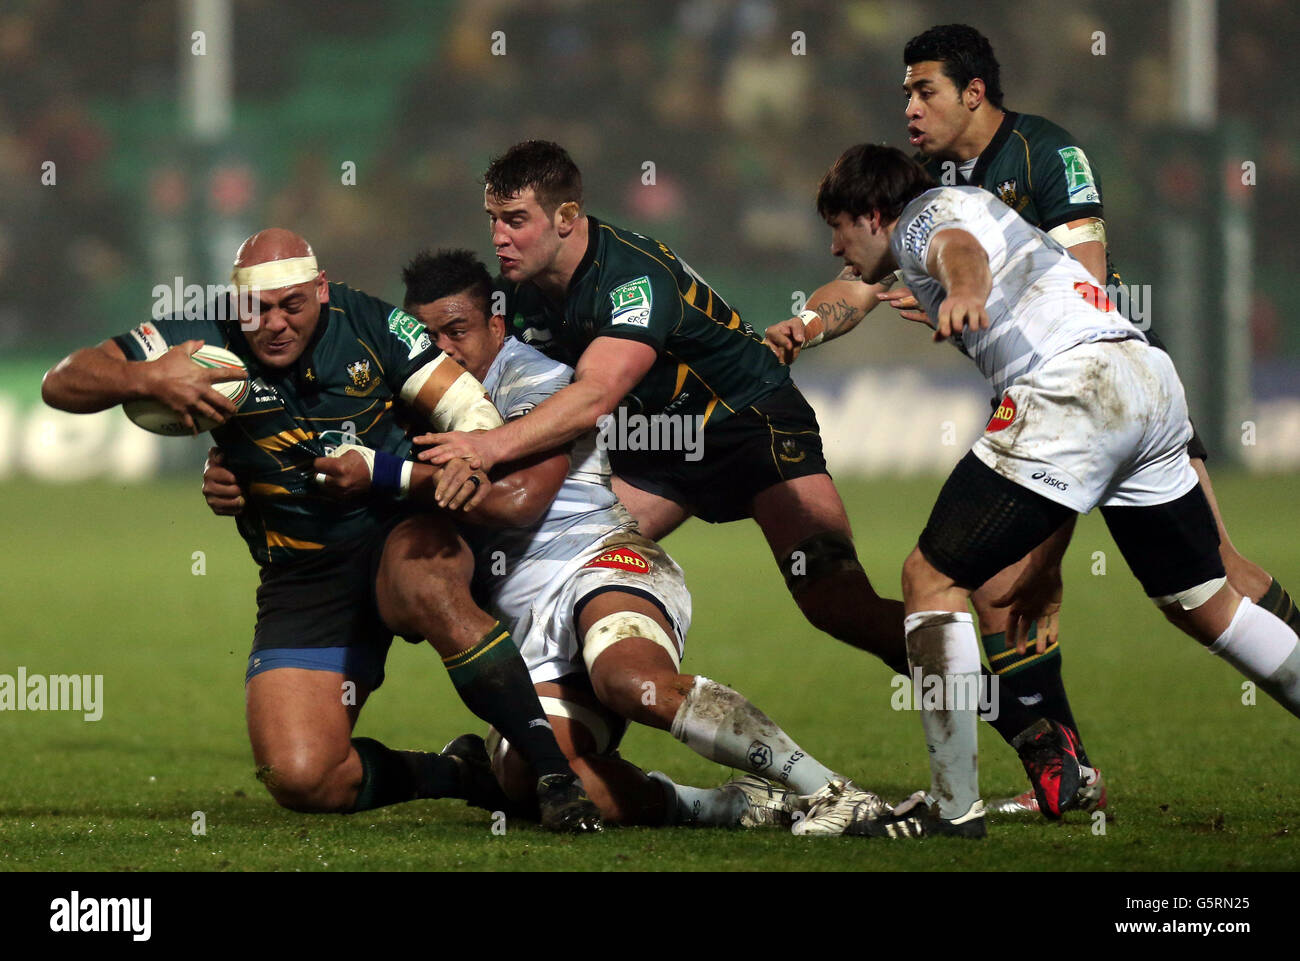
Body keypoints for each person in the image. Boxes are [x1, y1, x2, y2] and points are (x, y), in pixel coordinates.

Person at [767, 23, 1295, 817]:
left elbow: (957, 249)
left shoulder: (1021, 162)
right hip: (1140, 379)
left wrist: (967, 291)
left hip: (1072, 394)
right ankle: (1067, 775)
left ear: (973, 92)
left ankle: (958, 808)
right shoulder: (932, 184)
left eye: (924, 90)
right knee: (1204, 598)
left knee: (938, 578)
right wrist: (804, 327)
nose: (908, 105)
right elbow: (880, 272)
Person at [207, 247, 888, 831]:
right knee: (528, 777)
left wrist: (384, 473)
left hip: (598, 563)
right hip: (523, 629)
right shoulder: (410, 402)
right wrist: (231, 471)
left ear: (495, 322)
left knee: (631, 682)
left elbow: (516, 498)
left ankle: (830, 789)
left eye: (459, 330)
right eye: (426, 336)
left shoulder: (534, 376)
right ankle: (727, 806)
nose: (442, 349)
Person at [416, 140, 929, 831]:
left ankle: (1017, 706)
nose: (499, 237)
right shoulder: (513, 295)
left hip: (747, 427)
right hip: (659, 452)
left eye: (515, 218)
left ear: (567, 216)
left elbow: (596, 394)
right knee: (570, 543)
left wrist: (484, 446)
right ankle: (568, 725)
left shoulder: (631, 275)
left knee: (835, 599)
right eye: (493, 219)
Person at [41, 228, 601, 832]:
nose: (274, 323)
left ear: (321, 291)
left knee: (427, 583)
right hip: (302, 575)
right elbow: (62, 381)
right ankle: (463, 774)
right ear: (234, 303)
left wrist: (467, 454)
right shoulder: (196, 334)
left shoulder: (373, 324)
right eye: (256, 308)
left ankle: (554, 778)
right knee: (301, 777)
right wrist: (146, 380)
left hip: (395, 533)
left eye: (292, 305)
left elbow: (464, 405)